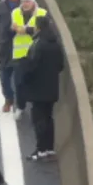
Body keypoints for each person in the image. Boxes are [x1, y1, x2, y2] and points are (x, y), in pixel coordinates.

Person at [18, 14, 64, 160]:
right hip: (52, 89)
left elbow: (31, 67)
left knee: (39, 119)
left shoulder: (38, 44)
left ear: (38, 27)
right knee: (49, 117)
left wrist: (24, 77)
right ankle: (50, 148)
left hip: (38, 89)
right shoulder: (56, 44)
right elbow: (60, 66)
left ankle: (41, 149)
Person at [10, 0, 47, 118]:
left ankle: (35, 108)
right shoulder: (15, 12)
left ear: (33, 2)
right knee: (19, 82)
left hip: (36, 54)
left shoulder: (42, 13)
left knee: (35, 83)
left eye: (28, 1)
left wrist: (25, 29)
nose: (25, 4)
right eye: (23, 1)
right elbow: (16, 29)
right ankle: (20, 106)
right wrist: (29, 30)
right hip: (19, 54)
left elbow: (42, 30)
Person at [0, 0, 23, 112]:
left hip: (20, 46)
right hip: (4, 46)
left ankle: (20, 103)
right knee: (4, 75)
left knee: (19, 77)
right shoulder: (0, 7)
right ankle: (8, 99)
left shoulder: (25, 7)